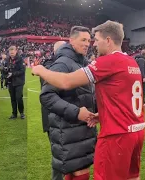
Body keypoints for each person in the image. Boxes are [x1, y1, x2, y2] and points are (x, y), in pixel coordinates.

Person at [32, 20, 145, 180]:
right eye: (85, 40)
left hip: (117, 135)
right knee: (132, 177)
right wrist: (103, 114)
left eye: (96, 40)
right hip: (137, 131)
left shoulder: (108, 61)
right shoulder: (131, 61)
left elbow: (66, 82)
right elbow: (124, 97)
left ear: (108, 40)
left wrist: (41, 70)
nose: (93, 45)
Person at [40, 26, 97, 180]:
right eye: (83, 40)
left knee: (76, 172)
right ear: (71, 40)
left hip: (80, 131)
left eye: (89, 40)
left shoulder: (82, 63)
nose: (87, 44)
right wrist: (77, 112)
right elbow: (47, 96)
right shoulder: (63, 63)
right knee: (79, 172)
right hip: (69, 131)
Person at [39, 40, 66, 180]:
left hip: (66, 116)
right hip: (53, 118)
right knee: (59, 155)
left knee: (70, 155)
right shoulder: (49, 65)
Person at [5, 45, 26, 120]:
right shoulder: (7, 59)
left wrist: (13, 74)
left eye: (13, 53)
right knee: (12, 98)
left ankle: (22, 113)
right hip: (10, 81)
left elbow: (22, 70)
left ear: (16, 51)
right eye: (10, 53)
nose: (11, 54)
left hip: (19, 81)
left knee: (18, 97)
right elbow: (6, 69)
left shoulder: (20, 59)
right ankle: (14, 114)